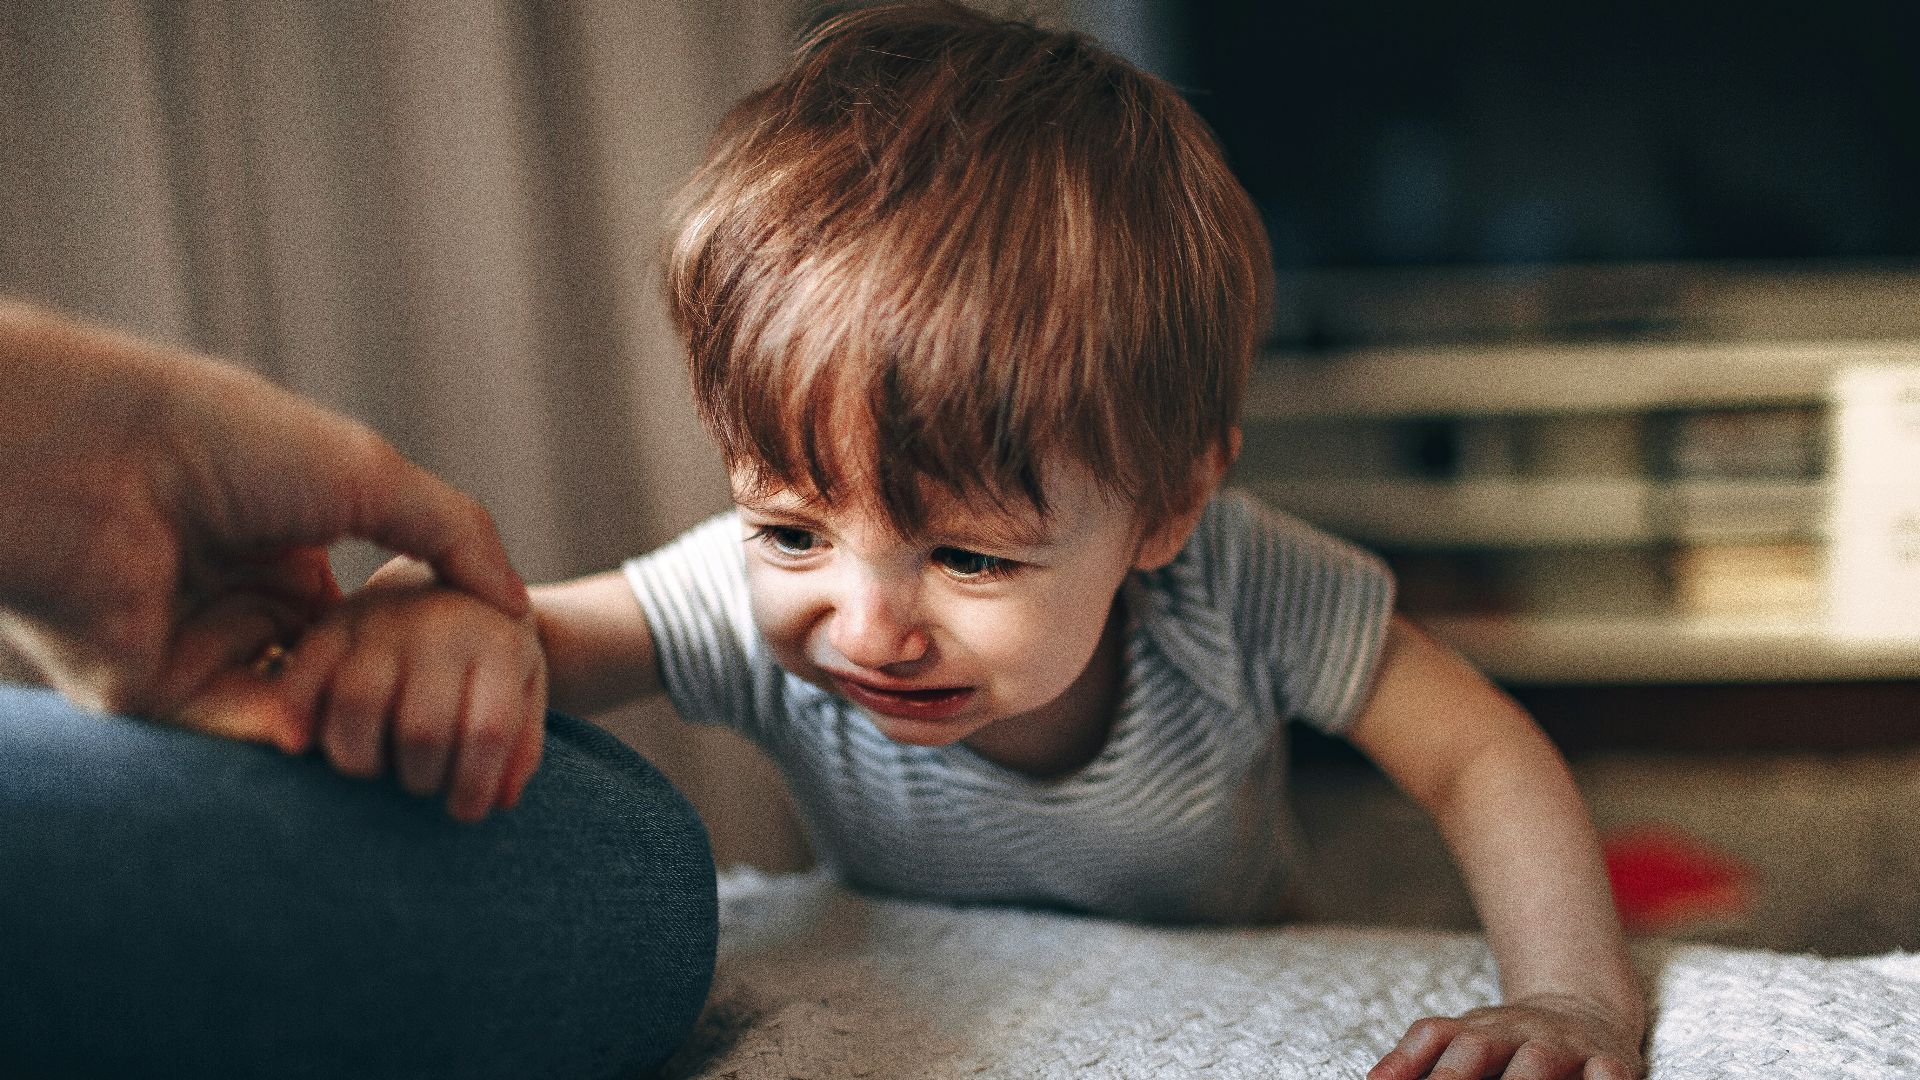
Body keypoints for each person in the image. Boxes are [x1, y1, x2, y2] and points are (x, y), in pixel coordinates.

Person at [259, 5, 1648, 1079]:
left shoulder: (1239, 585)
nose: (863, 623)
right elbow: (546, 635)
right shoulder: (761, 601)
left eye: (971, 560)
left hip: (1234, 958)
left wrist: (1572, 992)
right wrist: (448, 627)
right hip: (928, 967)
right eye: (791, 525)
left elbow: (1477, 754)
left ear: (1167, 508)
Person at [0, 302, 716, 1079]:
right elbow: (534, 618)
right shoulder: (738, 594)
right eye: (794, 537)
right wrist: (438, 606)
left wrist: (119, 451)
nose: (866, 628)